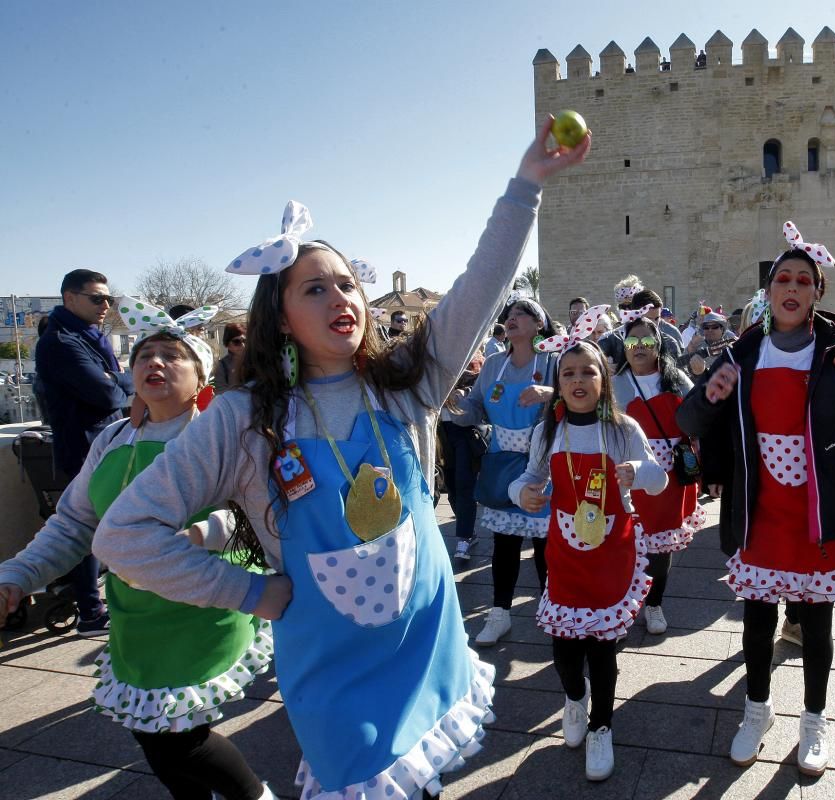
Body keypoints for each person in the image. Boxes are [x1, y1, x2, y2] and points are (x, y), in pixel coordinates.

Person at [93, 120, 590, 799]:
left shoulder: (406, 385)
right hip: (332, 674)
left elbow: (478, 291)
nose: (339, 298)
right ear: (281, 317)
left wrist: (525, 187)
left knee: (426, 784)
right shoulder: (243, 419)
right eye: (314, 289)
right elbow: (123, 535)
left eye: (345, 284)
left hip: (425, 648)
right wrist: (249, 592)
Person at [1, 305, 275, 800]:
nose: (156, 363)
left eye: (173, 355)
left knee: (178, 741)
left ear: (200, 376)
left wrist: (202, 535)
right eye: (146, 354)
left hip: (203, 603)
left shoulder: (221, 433)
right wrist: (18, 575)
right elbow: (75, 522)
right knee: (155, 742)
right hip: (137, 614)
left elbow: (254, 515)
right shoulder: (113, 438)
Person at [677, 222, 835, 775]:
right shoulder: (744, 351)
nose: (791, 286)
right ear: (769, 291)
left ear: (817, 292)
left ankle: (815, 719)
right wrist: (710, 396)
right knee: (757, 621)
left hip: (818, 509)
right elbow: (689, 420)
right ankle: (755, 711)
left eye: (803, 280)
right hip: (760, 508)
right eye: (782, 278)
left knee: (816, 623)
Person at [510, 331, 667, 782]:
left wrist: (637, 471)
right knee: (564, 649)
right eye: (568, 373)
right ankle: (574, 698)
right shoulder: (549, 431)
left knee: (602, 650)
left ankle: (602, 725)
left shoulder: (623, 429)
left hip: (611, 556)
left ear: (605, 378)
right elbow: (526, 476)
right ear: (558, 382)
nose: (578, 380)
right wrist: (523, 493)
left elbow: (658, 479)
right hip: (564, 555)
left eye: (588, 371)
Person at [447, 293, 556, 646]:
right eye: (510, 312)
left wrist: (550, 394)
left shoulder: (554, 360)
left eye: (524, 313)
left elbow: (582, 392)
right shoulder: (494, 363)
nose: (513, 317)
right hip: (501, 462)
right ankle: (499, 614)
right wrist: (455, 405)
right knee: (505, 544)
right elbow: (475, 408)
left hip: (541, 463)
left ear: (539, 324)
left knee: (544, 546)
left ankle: (553, 609)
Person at [34, 268, 135, 636]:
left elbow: (115, 383)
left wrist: (118, 378)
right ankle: (91, 613)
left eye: (108, 298)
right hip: (82, 449)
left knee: (100, 526)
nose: (105, 305)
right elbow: (109, 393)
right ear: (70, 298)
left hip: (103, 444)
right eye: (96, 298)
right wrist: (123, 378)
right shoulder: (62, 341)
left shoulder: (88, 336)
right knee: (85, 529)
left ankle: (95, 605)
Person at [612, 313, 703, 634]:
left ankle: (654, 604)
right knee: (625, 546)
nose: (639, 347)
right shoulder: (613, 382)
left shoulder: (676, 378)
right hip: (629, 477)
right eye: (632, 341)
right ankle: (624, 606)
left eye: (646, 341)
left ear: (658, 345)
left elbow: (699, 417)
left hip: (671, 479)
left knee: (661, 548)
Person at [440, 348, 487, 562]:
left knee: (464, 484)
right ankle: (467, 530)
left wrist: (465, 391)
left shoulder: (475, 360)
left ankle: (464, 538)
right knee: (450, 486)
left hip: (466, 432)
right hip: (441, 431)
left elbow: (483, 387)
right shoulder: (435, 359)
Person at [686, 311, 736, 376]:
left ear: (722, 330)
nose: (710, 330)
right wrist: (692, 347)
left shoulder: (731, 347)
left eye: (715, 327)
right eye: (706, 327)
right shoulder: (695, 345)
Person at [213, 322, 247, 394]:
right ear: (227, 344)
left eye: (245, 341)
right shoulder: (221, 365)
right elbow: (220, 391)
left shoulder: (255, 361)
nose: (242, 345)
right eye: (236, 342)